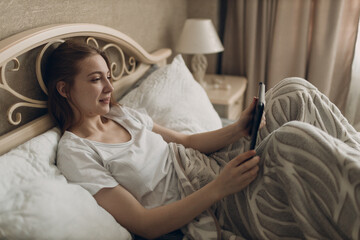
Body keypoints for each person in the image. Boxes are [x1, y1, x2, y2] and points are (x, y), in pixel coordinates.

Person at [45, 40, 360, 240]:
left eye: (108, 77)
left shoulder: (121, 114)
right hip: (214, 205)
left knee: (295, 91)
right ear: (64, 89)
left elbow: (187, 141)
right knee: (290, 142)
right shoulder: (77, 152)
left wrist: (239, 128)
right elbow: (144, 224)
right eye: (95, 79)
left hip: (212, 167)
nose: (109, 88)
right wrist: (221, 186)